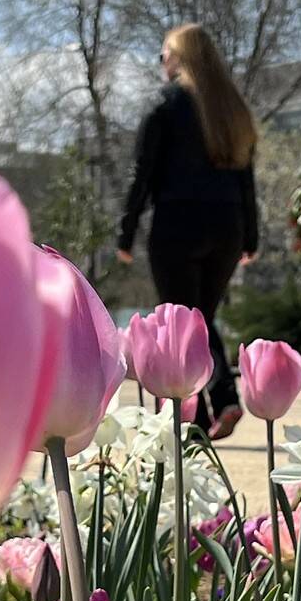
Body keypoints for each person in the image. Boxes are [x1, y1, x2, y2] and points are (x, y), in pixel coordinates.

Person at [117, 22, 261, 440]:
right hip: (227, 226)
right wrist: (250, 237)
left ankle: (196, 416)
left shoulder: (166, 106)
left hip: (177, 225)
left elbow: (141, 174)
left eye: (165, 54)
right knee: (204, 317)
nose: (162, 63)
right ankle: (223, 399)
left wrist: (125, 233)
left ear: (179, 59)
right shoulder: (231, 110)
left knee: (183, 321)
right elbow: (245, 179)